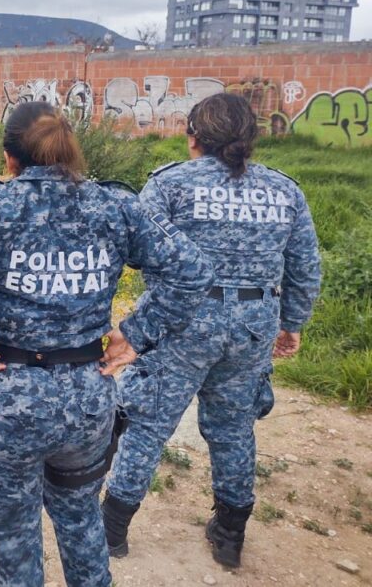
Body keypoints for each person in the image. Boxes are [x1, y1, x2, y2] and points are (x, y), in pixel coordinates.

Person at [0, 102, 213, 587]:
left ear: (9, 158)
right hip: (87, 396)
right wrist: (136, 335)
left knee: (13, 535)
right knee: (80, 517)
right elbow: (193, 271)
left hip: (7, 400)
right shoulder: (115, 204)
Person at [103, 93, 322, 569]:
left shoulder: (170, 184)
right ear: (250, 139)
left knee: (147, 425)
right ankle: (229, 536)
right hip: (252, 326)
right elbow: (304, 267)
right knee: (233, 429)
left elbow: (136, 252)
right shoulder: (285, 191)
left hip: (179, 323)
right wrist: (292, 324)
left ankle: (113, 531)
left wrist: (139, 327)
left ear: (193, 136)